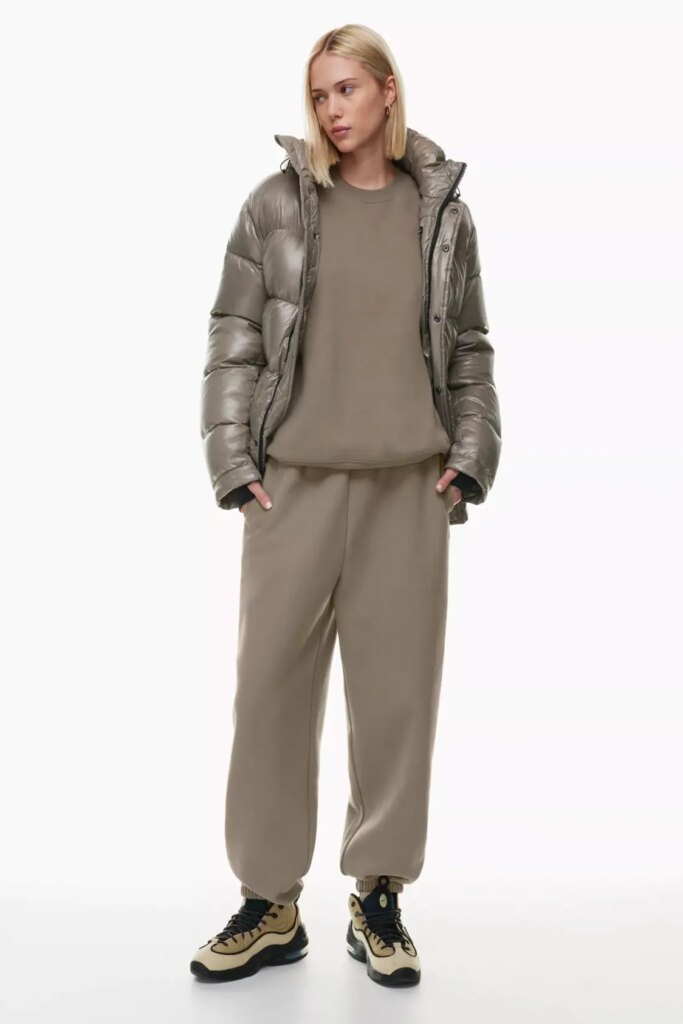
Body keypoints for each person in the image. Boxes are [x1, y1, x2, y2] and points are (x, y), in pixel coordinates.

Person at [190, 23, 501, 987]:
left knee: (396, 701)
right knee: (269, 698)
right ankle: (269, 903)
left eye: (347, 90)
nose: (330, 109)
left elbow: (469, 346)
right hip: (292, 489)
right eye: (319, 94)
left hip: (409, 488)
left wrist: (471, 455)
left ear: (386, 91)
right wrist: (232, 463)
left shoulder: (442, 214)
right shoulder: (274, 205)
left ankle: (378, 897)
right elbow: (234, 336)